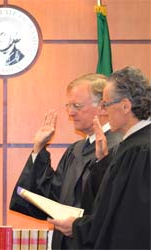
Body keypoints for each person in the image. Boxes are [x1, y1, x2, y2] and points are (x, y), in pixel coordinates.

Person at [10, 73, 122, 249]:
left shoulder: (120, 148)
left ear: (102, 107)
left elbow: (115, 208)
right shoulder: (75, 150)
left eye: (77, 106)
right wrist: (38, 149)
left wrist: (79, 227)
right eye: (68, 106)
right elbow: (52, 197)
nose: (70, 113)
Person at [48, 66, 151, 249]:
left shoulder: (139, 151)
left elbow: (125, 222)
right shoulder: (135, 146)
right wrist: (103, 162)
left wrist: (77, 227)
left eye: (106, 104)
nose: (103, 111)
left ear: (126, 106)